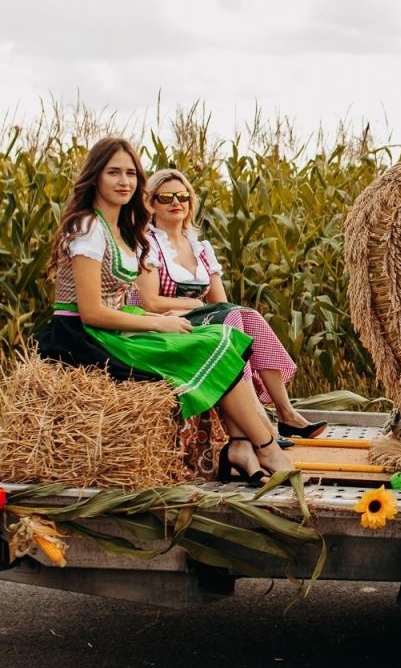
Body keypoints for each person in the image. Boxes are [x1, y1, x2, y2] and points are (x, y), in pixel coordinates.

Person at [35, 137, 295, 484]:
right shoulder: (88, 228)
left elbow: (120, 302)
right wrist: (158, 322)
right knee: (206, 344)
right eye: (113, 172)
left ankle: (243, 444)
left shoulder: (121, 229)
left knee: (226, 336)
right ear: (95, 177)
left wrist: (160, 319)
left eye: (130, 173)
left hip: (115, 327)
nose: (124, 181)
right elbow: (92, 312)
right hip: (84, 337)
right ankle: (265, 447)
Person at [135, 167, 326, 440]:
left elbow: (220, 303)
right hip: (163, 322)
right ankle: (258, 418)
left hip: (198, 318)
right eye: (165, 197)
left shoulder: (200, 248)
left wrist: (198, 309)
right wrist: (189, 304)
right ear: (151, 204)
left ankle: (286, 413)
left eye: (182, 196)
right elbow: (150, 302)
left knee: (248, 317)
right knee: (232, 321)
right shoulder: (148, 245)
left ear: (190, 202)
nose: (175, 202)